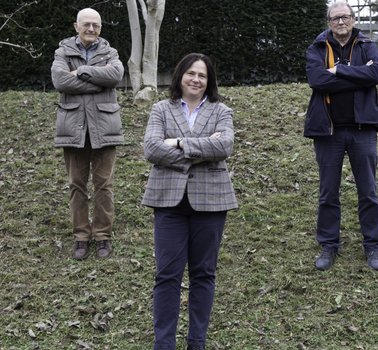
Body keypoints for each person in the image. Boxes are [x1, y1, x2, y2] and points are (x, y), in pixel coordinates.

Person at [142, 53, 238, 350]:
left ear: (209, 82)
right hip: (169, 203)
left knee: (203, 274)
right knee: (167, 275)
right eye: (191, 73)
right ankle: (164, 344)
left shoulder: (221, 111)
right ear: (180, 75)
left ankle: (197, 342)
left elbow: (224, 146)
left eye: (202, 75)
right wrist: (201, 152)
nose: (196, 79)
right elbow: (152, 149)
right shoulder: (161, 109)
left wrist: (180, 143)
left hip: (211, 203)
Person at [304, 1, 378, 271]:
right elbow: (317, 80)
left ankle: (372, 244)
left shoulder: (367, 45)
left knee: (369, 191)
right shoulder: (317, 48)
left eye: (345, 17)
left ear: (353, 19)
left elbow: (374, 74)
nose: (341, 22)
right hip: (328, 133)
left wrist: (339, 70)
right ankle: (329, 245)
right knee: (328, 192)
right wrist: (357, 77)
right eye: (335, 18)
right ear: (328, 22)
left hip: (362, 130)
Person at [51, 8, 124, 260]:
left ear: (100, 28)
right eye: (87, 25)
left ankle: (102, 235)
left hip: (104, 127)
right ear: (76, 26)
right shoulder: (62, 52)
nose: (91, 29)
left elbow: (115, 75)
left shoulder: (110, 52)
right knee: (76, 185)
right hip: (73, 128)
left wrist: (81, 72)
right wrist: (97, 82)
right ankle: (82, 236)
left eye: (96, 25)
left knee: (104, 185)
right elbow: (60, 81)